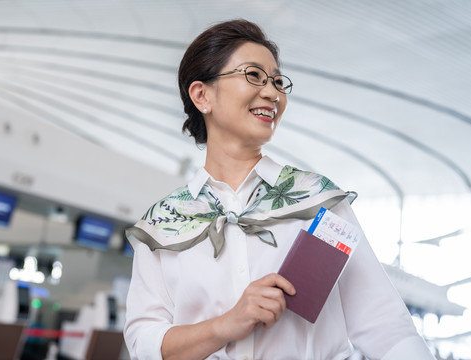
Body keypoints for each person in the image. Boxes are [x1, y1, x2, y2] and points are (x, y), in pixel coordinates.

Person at [124, 19, 434, 360]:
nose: (272, 93)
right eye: (253, 75)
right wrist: (226, 324)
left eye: (277, 81)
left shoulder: (318, 200)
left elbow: (385, 326)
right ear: (202, 95)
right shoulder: (162, 223)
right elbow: (144, 342)